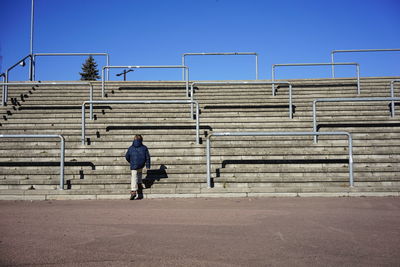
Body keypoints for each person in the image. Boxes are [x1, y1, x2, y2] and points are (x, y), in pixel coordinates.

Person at [125, 135, 151, 200]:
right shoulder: (144, 148)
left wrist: (131, 161)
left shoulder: (130, 148)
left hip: (134, 164)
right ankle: (139, 183)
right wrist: (147, 165)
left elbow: (127, 156)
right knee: (139, 172)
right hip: (141, 164)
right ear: (141, 140)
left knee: (134, 177)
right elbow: (147, 157)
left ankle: (133, 191)